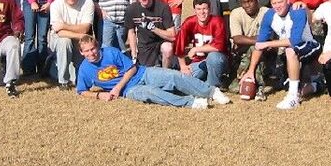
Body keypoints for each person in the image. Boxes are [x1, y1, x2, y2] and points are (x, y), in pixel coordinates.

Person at [76, 35, 230, 109]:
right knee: (152, 93)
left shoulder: (111, 52)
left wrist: (117, 87)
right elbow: (81, 91)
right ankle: (192, 103)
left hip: (142, 73)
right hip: (130, 90)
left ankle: (211, 92)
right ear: (81, 53)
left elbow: (132, 68)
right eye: (87, 51)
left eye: (93, 49)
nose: (91, 53)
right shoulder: (84, 69)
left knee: (173, 76)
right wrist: (98, 95)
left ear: (97, 46)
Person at [241, 0, 322, 110]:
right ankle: (317, 86)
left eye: (280, 2)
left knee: (290, 49)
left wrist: (268, 44)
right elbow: (259, 44)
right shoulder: (269, 15)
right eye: (274, 3)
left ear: (288, 0)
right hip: (290, 51)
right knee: (285, 84)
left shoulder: (296, 11)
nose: (277, 6)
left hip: (310, 46)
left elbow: (294, 41)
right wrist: (250, 71)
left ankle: (293, 97)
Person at [174, 0, 230, 100]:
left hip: (218, 60)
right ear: (194, 10)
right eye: (198, 9)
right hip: (199, 62)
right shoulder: (189, 22)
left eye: (205, 8)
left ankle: (212, 87)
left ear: (210, 9)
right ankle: (204, 83)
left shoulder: (217, 21)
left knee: (213, 58)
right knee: (184, 80)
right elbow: (179, 45)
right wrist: (183, 66)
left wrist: (196, 49)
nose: (202, 12)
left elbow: (219, 46)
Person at [47, 0, 95, 89]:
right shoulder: (55, 5)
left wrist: (64, 25)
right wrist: (80, 35)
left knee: (77, 78)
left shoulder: (87, 2)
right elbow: (60, 32)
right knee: (65, 42)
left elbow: (85, 28)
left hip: (80, 39)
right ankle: (63, 81)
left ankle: (53, 66)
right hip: (60, 38)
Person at [228, 0, 270, 99]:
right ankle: (250, 81)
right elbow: (237, 39)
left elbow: (269, 37)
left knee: (255, 48)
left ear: (257, 0)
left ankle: (259, 87)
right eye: (244, 2)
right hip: (241, 53)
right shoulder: (236, 13)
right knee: (233, 88)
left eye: (250, 1)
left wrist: (251, 41)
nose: (248, 5)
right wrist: (259, 40)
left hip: (265, 53)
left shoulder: (266, 12)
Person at [124, 0, 175, 68]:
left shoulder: (162, 6)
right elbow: (131, 33)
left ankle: (166, 73)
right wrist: (134, 55)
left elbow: (172, 36)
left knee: (168, 48)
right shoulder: (131, 9)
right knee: (148, 70)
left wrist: (153, 28)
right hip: (145, 44)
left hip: (161, 41)